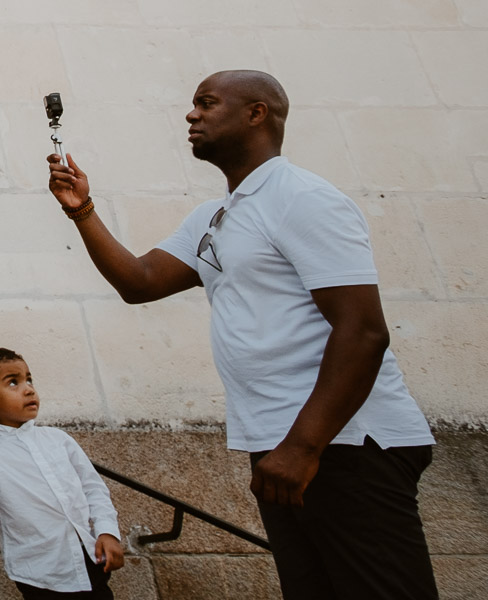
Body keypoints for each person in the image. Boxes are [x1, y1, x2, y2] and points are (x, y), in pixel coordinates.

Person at [48, 70, 438, 600]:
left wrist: (303, 446)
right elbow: (140, 282)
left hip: (345, 444)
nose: (191, 115)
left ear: (257, 113)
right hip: (278, 448)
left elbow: (364, 331)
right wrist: (83, 211)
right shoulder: (215, 216)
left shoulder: (302, 198)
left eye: (207, 104)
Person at [0, 346, 125, 598]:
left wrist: (107, 531)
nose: (28, 388)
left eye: (29, 379)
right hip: (39, 573)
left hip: (88, 556)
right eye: (13, 383)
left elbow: (93, 488)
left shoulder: (59, 440)